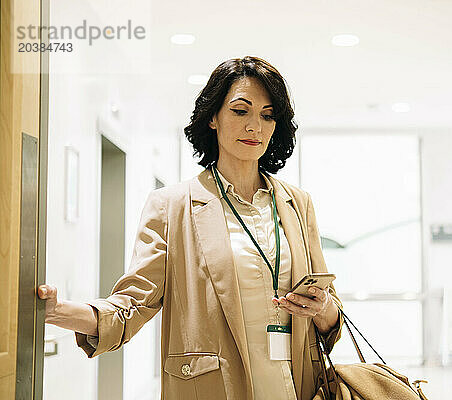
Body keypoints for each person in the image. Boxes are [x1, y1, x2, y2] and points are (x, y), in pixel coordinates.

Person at [38, 56, 344, 400]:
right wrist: (58, 312)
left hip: (298, 387)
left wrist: (324, 309)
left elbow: (330, 312)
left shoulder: (297, 204)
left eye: (268, 115)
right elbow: (132, 306)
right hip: (213, 388)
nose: (255, 126)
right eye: (240, 111)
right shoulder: (171, 206)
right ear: (213, 117)